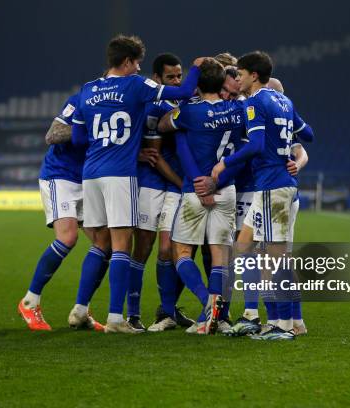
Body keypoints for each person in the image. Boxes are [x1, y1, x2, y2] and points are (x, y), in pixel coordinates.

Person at [70, 35, 204, 333]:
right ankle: (116, 318)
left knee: (100, 244)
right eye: (137, 62)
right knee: (121, 244)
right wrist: (195, 68)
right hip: (119, 173)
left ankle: (80, 309)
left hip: (91, 172)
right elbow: (182, 91)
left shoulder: (88, 90)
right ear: (128, 62)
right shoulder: (136, 84)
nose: (138, 67)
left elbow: (78, 138)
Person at [212, 51, 314, 341]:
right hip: (269, 187)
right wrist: (287, 148)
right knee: (244, 248)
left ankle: (282, 324)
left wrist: (225, 163)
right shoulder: (284, 101)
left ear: (253, 75)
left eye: (241, 74)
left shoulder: (256, 102)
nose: (237, 79)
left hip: (272, 185)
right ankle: (281, 318)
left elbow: (255, 145)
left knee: (274, 260)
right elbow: (309, 135)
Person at [158, 58, 246, 334]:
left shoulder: (189, 112)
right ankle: (219, 313)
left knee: (181, 253)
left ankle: (208, 304)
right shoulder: (238, 109)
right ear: (221, 85)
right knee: (220, 255)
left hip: (193, 191)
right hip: (225, 189)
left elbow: (162, 126)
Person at [18, 92, 104, 332]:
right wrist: (91, 128)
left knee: (104, 244)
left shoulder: (125, 102)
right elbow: (53, 135)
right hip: (61, 175)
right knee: (67, 237)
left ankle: (81, 311)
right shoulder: (81, 100)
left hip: (89, 178)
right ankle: (29, 301)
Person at [128, 53, 194, 331]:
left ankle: (167, 311)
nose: (177, 81)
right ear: (157, 79)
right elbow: (154, 156)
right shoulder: (155, 109)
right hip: (153, 182)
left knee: (168, 248)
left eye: (180, 75)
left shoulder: (183, 105)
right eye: (171, 77)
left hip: (176, 185)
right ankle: (132, 314)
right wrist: (183, 184)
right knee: (143, 246)